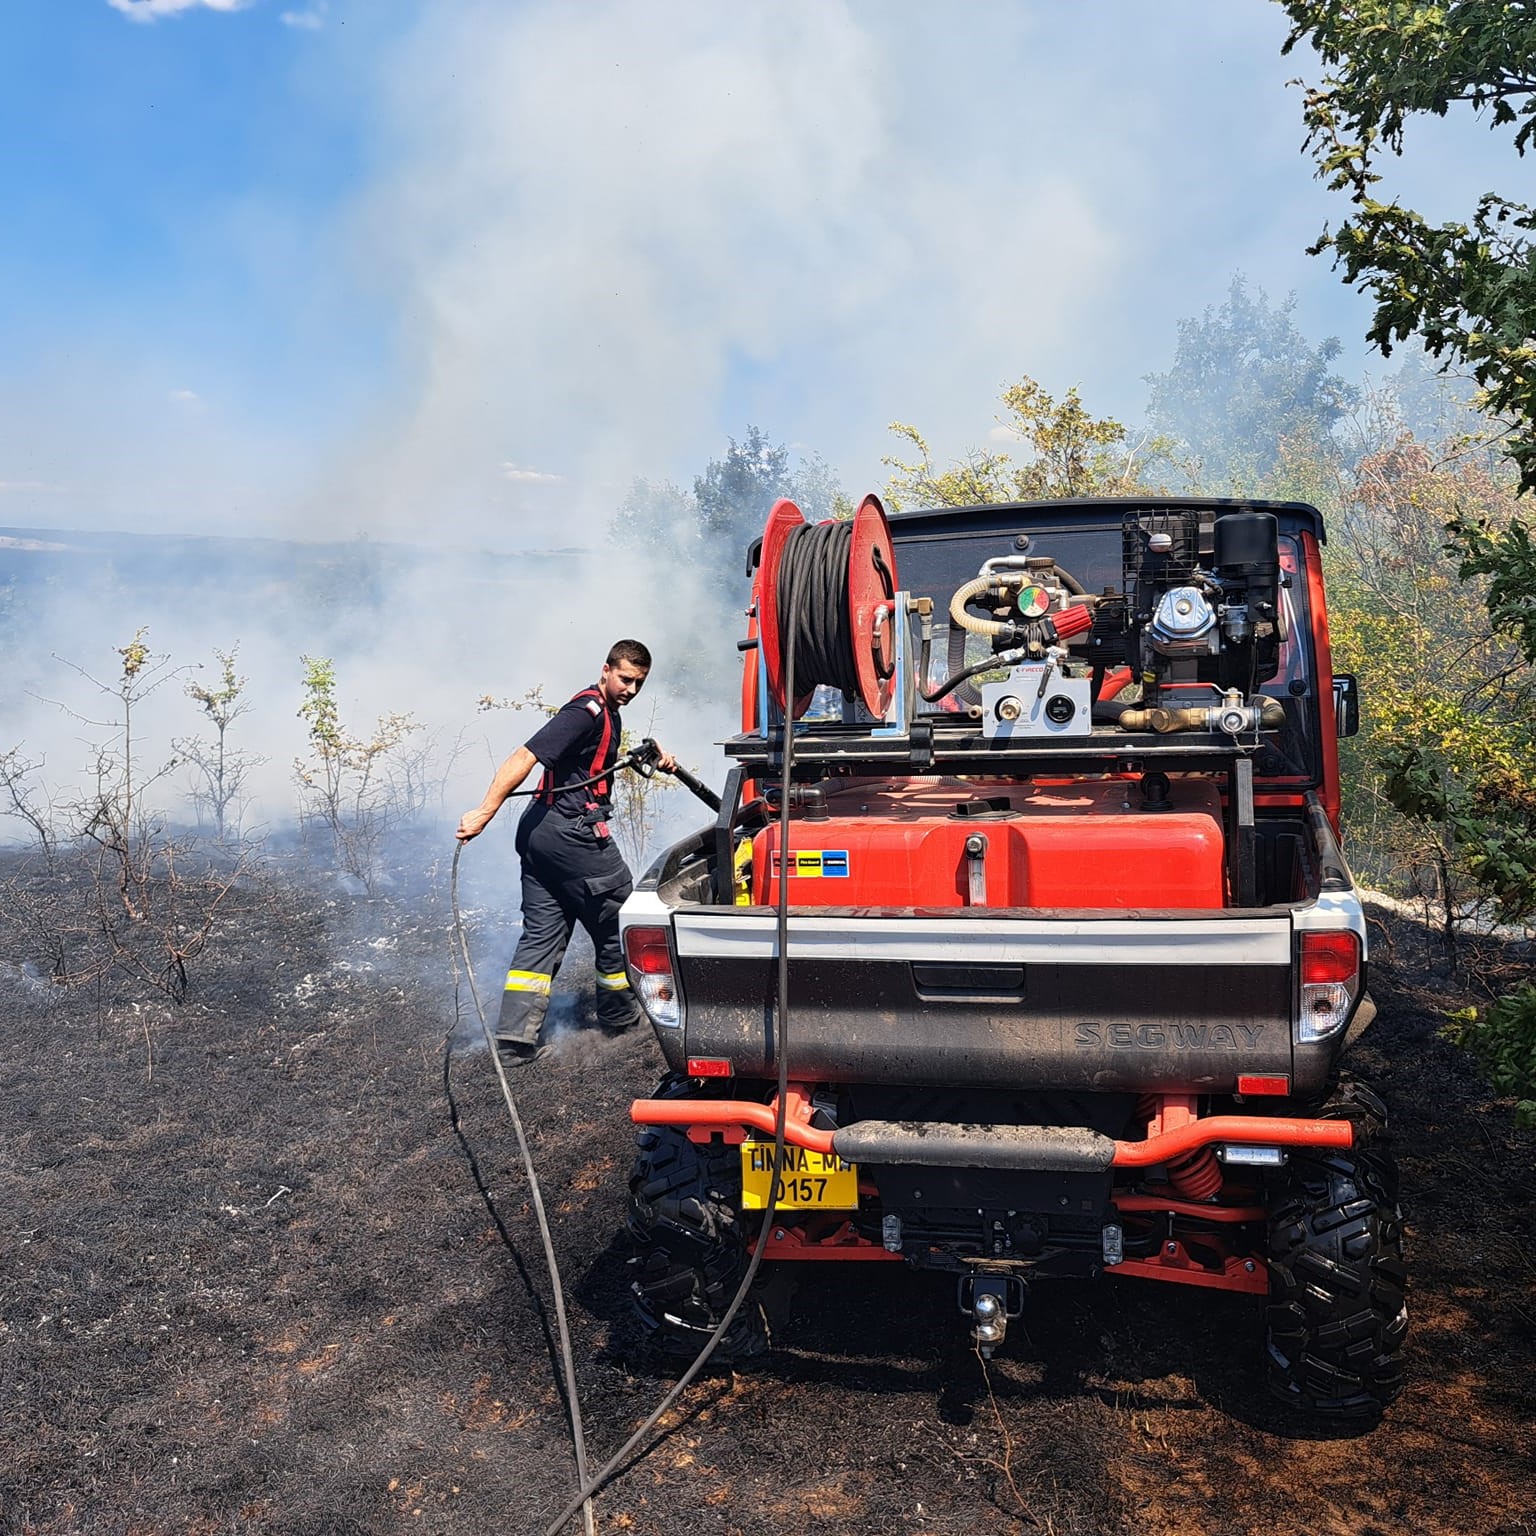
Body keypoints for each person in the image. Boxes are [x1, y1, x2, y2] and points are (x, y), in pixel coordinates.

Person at [456, 639, 676, 1061]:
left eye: (639, 683)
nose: (631, 689)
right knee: (620, 921)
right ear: (606, 670)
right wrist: (485, 811)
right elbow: (525, 755)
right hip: (572, 836)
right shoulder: (585, 712)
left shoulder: (606, 712)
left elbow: (591, 766)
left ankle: (514, 1042)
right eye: (625, 678)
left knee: (542, 934)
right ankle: (619, 1019)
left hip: (540, 835)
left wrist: (653, 759)